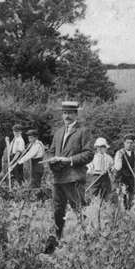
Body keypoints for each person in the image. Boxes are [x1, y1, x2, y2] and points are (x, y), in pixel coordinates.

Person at [44, 101, 94, 254]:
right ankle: (56, 240)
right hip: (58, 178)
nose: (67, 115)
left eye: (70, 113)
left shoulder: (83, 132)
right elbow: (51, 151)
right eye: (64, 113)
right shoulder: (58, 132)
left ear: (76, 114)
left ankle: (87, 242)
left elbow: (89, 154)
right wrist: (52, 161)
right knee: (58, 210)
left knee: (78, 209)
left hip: (74, 177)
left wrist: (70, 160)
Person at [114, 134, 135, 209]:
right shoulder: (119, 153)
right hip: (121, 178)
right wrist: (120, 157)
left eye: (131, 143)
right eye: (127, 143)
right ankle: (121, 213)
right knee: (122, 197)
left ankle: (129, 212)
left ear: (133, 144)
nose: (129, 145)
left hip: (131, 178)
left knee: (131, 197)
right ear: (124, 143)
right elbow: (117, 167)